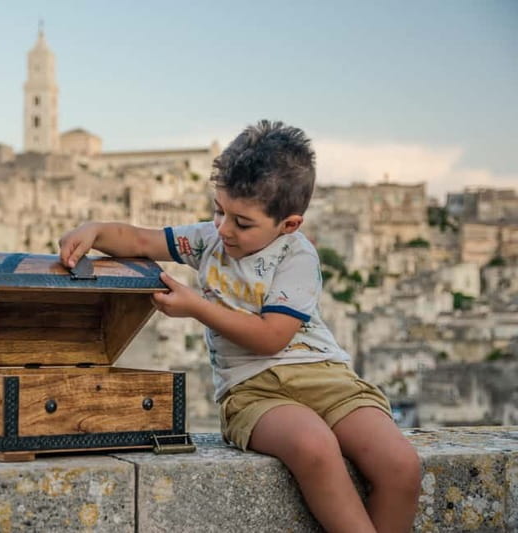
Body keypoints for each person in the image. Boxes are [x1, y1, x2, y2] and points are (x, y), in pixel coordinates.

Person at [59, 120, 421, 532]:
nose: (224, 229)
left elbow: (271, 336)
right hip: (253, 391)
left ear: (289, 224)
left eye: (242, 222)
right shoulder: (207, 240)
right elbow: (141, 241)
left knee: (401, 465)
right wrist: (95, 230)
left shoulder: (297, 257)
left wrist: (196, 306)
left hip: (327, 377)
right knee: (314, 446)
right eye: (219, 210)